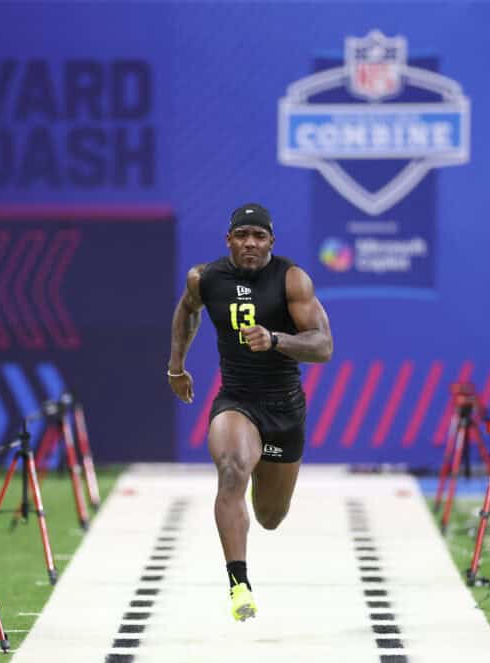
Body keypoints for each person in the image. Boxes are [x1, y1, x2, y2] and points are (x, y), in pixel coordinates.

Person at [166, 202, 333, 622]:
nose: (250, 243)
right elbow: (188, 310)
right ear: (229, 241)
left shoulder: (292, 279)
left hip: (284, 408)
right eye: (242, 235)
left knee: (271, 517)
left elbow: (323, 345)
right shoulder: (205, 278)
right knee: (230, 471)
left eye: (259, 236)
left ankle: (258, 481)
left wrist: (276, 340)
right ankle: (239, 585)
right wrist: (176, 366)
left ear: (271, 243)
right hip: (237, 401)